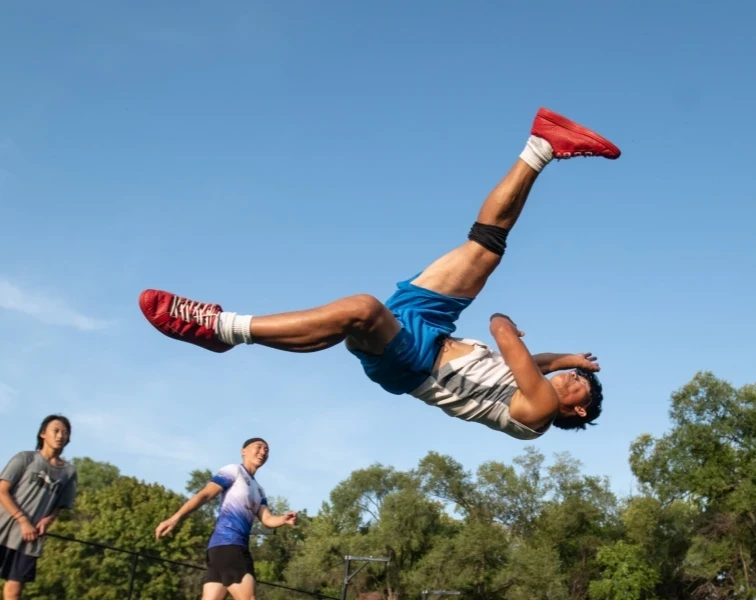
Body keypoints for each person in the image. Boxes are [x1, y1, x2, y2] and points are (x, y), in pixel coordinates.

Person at [140, 107, 620, 440]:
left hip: (414, 363)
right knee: (484, 250)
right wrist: (567, 357)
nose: (571, 374)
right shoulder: (536, 384)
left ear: (576, 407)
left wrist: (506, 329)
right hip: (433, 332)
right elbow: (540, 362)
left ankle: (222, 327)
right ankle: (541, 144)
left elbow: (507, 338)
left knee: (362, 310)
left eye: (577, 380)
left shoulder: (536, 412)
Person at [155, 438, 297, 600]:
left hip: (222, 550)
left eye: (267, 450)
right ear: (243, 451)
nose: (263, 452)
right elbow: (205, 494)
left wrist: (283, 519)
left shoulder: (259, 490)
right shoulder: (234, 470)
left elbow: (267, 519)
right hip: (229, 546)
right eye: (259, 447)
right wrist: (175, 518)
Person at [0, 415, 77, 600]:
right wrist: (22, 520)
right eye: (56, 431)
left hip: (30, 538)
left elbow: (60, 504)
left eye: (65, 433)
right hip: (4, 529)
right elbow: (2, 491)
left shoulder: (69, 472)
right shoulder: (25, 458)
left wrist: (48, 520)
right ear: (43, 434)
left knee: (15, 587)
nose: (60, 436)